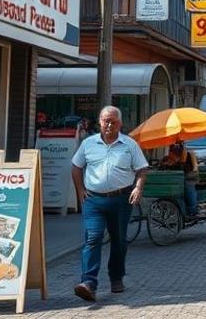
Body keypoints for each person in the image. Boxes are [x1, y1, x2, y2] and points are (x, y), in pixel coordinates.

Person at [70, 105, 148, 303]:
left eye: (113, 121)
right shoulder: (88, 144)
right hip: (93, 200)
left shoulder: (129, 144)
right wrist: (80, 190)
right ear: (100, 122)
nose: (109, 124)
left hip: (121, 199)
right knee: (93, 238)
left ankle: (116, 277)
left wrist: (138, 188)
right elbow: (76, 167)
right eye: (105, 121)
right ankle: (88, 282)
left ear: (120, 123)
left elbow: (141, 169)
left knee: (119, 240)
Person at [160, 141, 199, 218]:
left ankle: (192, 209)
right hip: (174, 182)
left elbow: (193, 170)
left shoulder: (189, 155)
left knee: (187, 185)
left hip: (188, 179)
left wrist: (181, 162)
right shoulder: (168, 158)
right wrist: (165, 164)